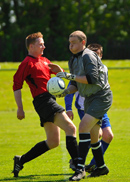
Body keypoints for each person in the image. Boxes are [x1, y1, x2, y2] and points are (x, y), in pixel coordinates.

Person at [12, 32, 78, 178]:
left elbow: (58, 80)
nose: (44, 46)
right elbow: (17, 85)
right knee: (71, 128)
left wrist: (60, 72)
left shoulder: (44, 60)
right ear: (31, 46)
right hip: (43, 101)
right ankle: (78, 165)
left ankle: (21, 160)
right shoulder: (26, 64)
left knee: (53, 141)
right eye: (41, 44)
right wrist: (20, 108)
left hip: (50, 100)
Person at [55, 30, 113, 181]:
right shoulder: (73, 59)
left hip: (101, 97)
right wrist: (65, 92)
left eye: (73, 43)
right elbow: (75, 84)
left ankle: (79, 168)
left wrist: (69, 75)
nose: (70, 45)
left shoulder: (88, 55)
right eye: (69, 43)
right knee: (94, 135)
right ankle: (101, 167)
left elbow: (92, 79)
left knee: (83, 127)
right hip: (89, 98)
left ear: (82, 43)